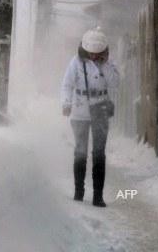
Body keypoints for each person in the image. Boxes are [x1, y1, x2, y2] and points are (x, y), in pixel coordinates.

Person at [61, 27, 119, 207]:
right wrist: (66, 103)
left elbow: (115, 83)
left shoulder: (108, 65)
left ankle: (98, 196)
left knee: (99, 153)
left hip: (100, 110)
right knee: (80, 151)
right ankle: (79, 192)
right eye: (91, 53)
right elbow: (66, 85)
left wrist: (106, 64)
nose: (94, 57)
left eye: (98, 53)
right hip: (79, 111)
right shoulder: (75, 63)